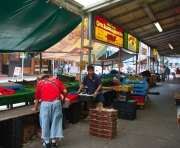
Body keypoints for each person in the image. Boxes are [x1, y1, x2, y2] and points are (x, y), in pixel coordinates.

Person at [31, 74, 67, 148]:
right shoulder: (56, 80)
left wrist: (35, 108)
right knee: (56, 122)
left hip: (45, 104)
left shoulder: (40, 83)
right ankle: (54, 143)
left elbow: (37, 98)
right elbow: (65, 91)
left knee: (45, 122)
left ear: (42, 78)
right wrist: (63, 100)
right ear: (49, 77)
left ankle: (47, 143)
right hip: (56, 102)